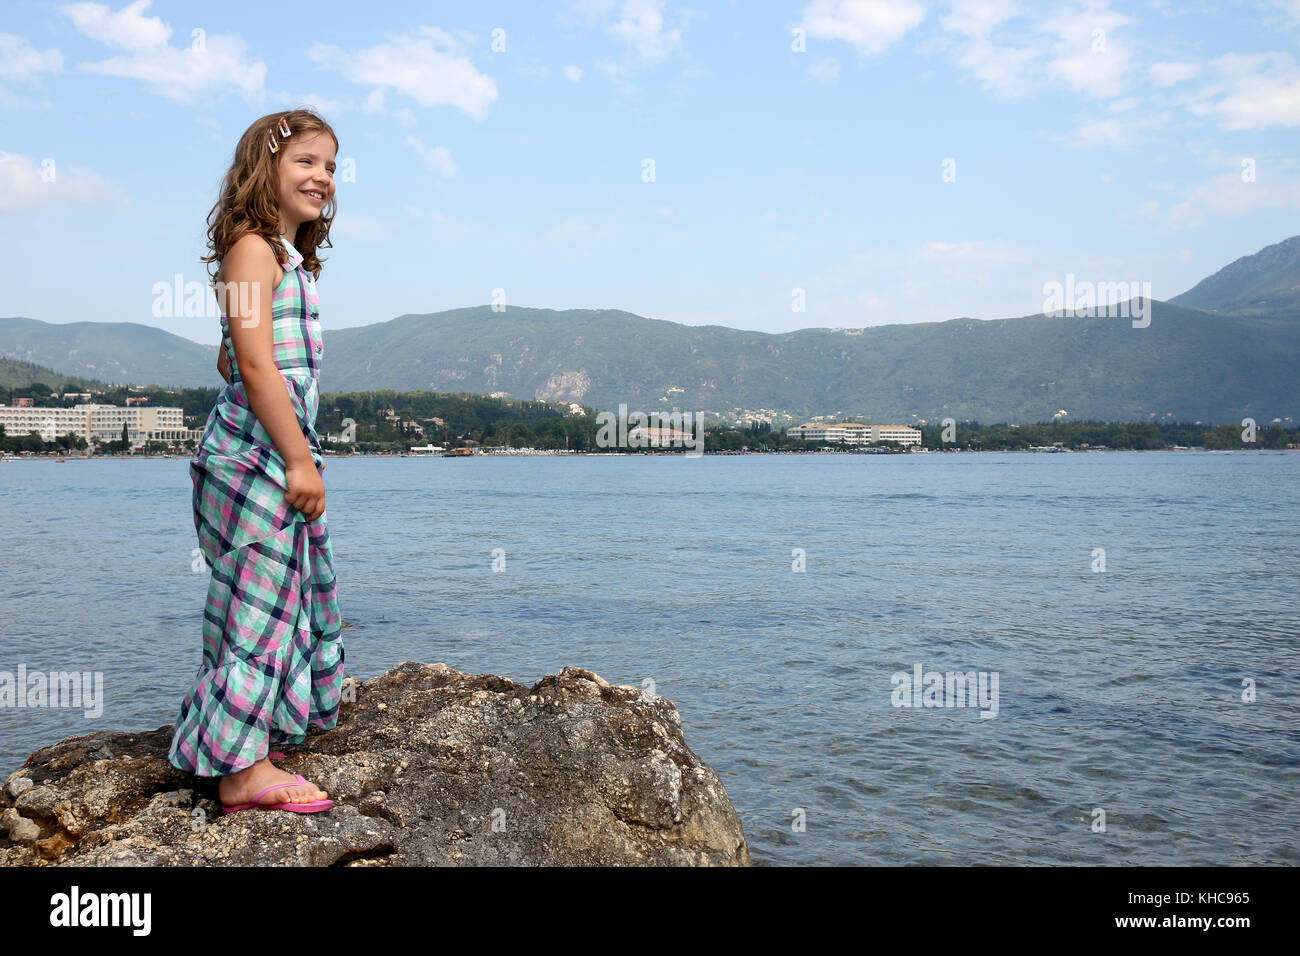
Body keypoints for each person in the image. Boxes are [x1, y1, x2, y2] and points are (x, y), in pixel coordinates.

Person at [167, 109, 344, 815]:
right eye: (305, 161)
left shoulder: (284, 261)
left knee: (278, 600)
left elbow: (231, 352)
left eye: (330, 166)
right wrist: (299, 463)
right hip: (254, 460)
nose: (322, 177)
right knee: (259, 608)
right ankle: (242, 773)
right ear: (263, 168)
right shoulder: (252, 249)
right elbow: (251, 363)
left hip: (266, 451)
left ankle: (249, 736)